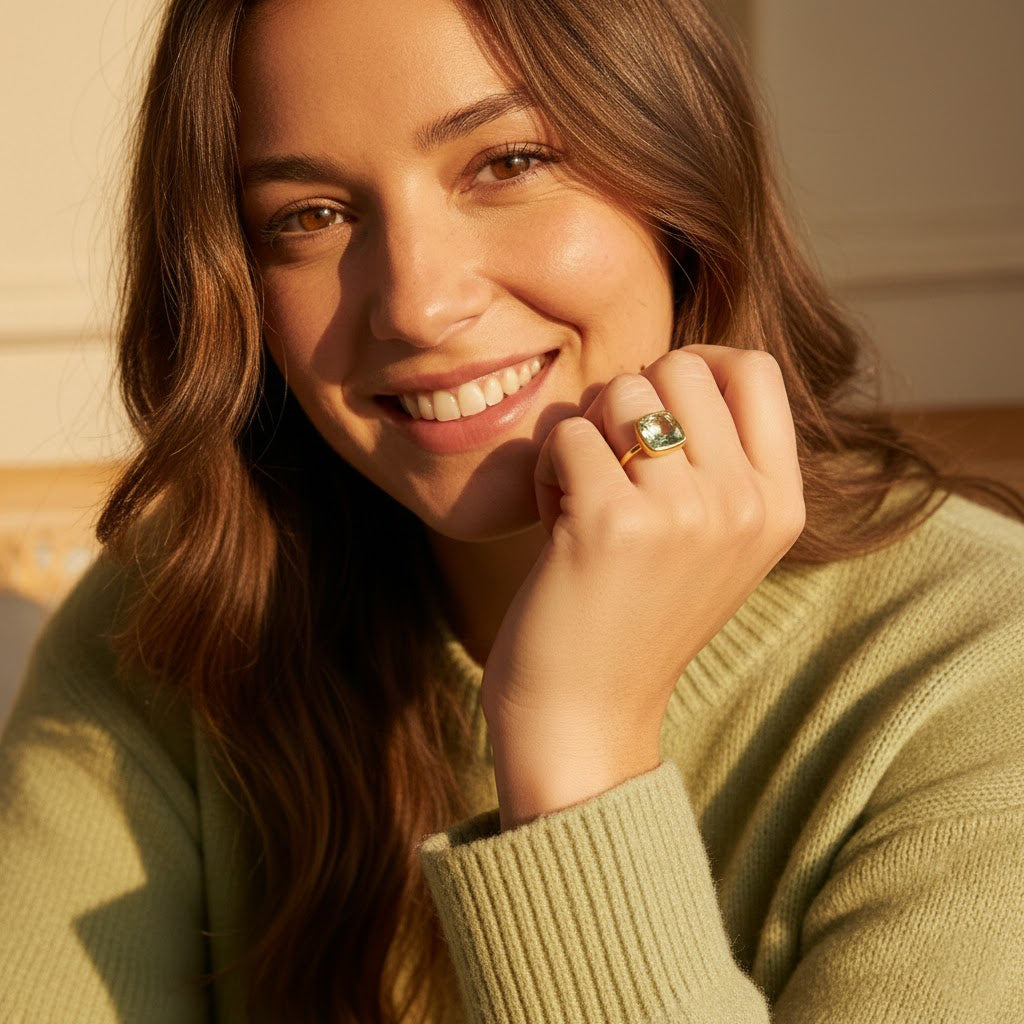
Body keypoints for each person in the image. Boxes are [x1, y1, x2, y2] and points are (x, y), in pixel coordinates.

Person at [2, 0, 1023, 1021]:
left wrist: (576, 738)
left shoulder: (982, 672)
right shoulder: (181, 618)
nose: (415, 301)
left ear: (680, 170)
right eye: (306, 215)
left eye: (507, 163)